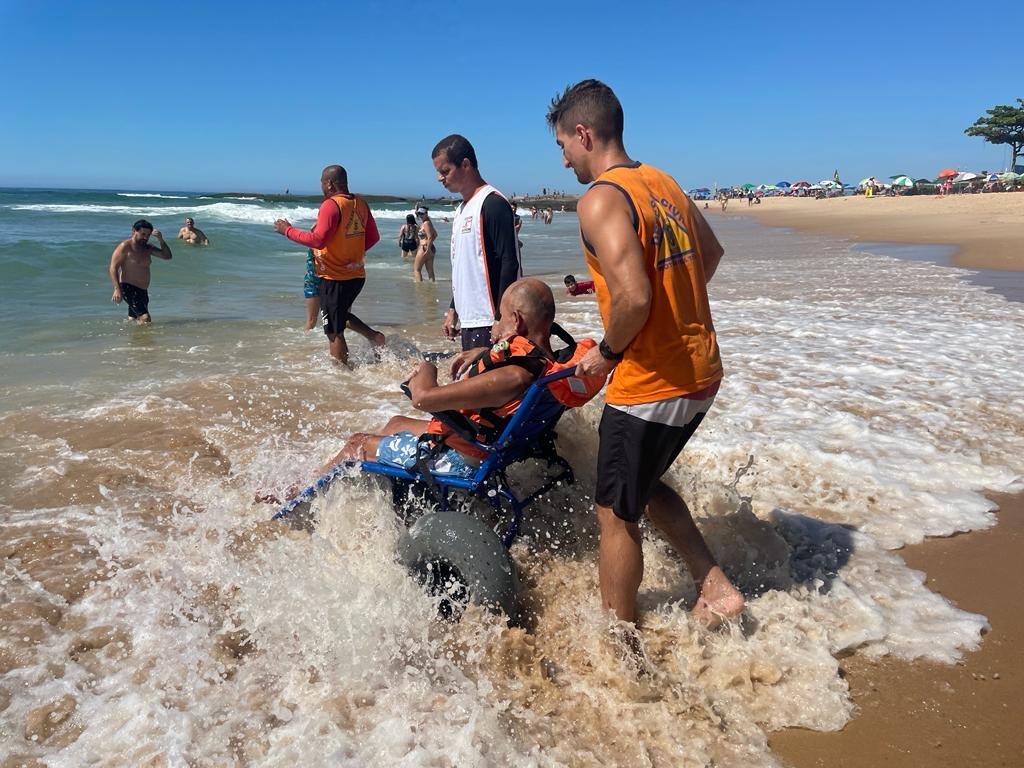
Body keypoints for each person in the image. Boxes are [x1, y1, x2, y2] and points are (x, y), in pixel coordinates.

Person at [547, 78, 745, 627]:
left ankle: (619, 640)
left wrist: (607, 352)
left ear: (583, 134)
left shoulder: (601, 198)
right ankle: (715, 587)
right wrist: (669, 309)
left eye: (563, 146)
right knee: (646, 487)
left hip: (650, 383)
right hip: (701, 372)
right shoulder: (663, 182)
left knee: (614, 514)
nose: (564, 161)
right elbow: (708, 254)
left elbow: (634, 296)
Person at [287, 279, 597, 490]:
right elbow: (515, 360)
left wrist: (426, 367)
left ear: (516, 321)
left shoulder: (511, 376)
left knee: (357, 443)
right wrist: (480, 353)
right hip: (493, 442)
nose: (494, 326)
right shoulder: (547, 363)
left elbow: (423, 398)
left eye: (499, 318)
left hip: (466, 456)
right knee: (395, 422)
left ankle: (300, 497)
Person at [273, 165, 385, 365]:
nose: (321, 188)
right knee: (340, 314)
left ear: (329, 183)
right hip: (356, 275)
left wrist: (287, 230)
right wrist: (354, 254)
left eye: (322, 183)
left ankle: (342, 374)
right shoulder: (360, 203)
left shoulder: (331, 205)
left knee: (334, 331)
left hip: (335, 278)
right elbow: (373, 237)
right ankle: (375, 337)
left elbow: (318, 240)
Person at [431, 134, 522, 350]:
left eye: (445, 171)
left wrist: (502, 318)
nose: (439, 178)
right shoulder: (461, 209)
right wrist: (453, 309)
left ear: (465, 164)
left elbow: (509, 263)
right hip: (470, 320)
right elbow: (465, 268)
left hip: (491, 321)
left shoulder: (493, 204)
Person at [108, 219, 172, 324]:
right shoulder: (125, 247)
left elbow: (167, 256)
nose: (145, 238)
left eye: (148, 235)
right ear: (134, 231)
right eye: (143, 234)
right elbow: (113, 268)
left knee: (134, 320)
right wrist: (117, 289)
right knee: (145, 318)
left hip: (143, 290)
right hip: (128, 288)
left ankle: (134, 340)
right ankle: (147, 340)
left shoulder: (147, 248)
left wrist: (161, 240)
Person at [413, 206, 437, 282]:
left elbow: (430, 237)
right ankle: (432, 288)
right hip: (429, 248)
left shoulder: (426, 223)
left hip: (424, 248)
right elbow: (435, 235)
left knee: (417, 269)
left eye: (422, 214)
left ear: (426, 214)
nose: (420, 216)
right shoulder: (428, 222)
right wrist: (429, 246)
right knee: (430, 270)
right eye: (419, 214)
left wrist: (427, 248)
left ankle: (419, 288)